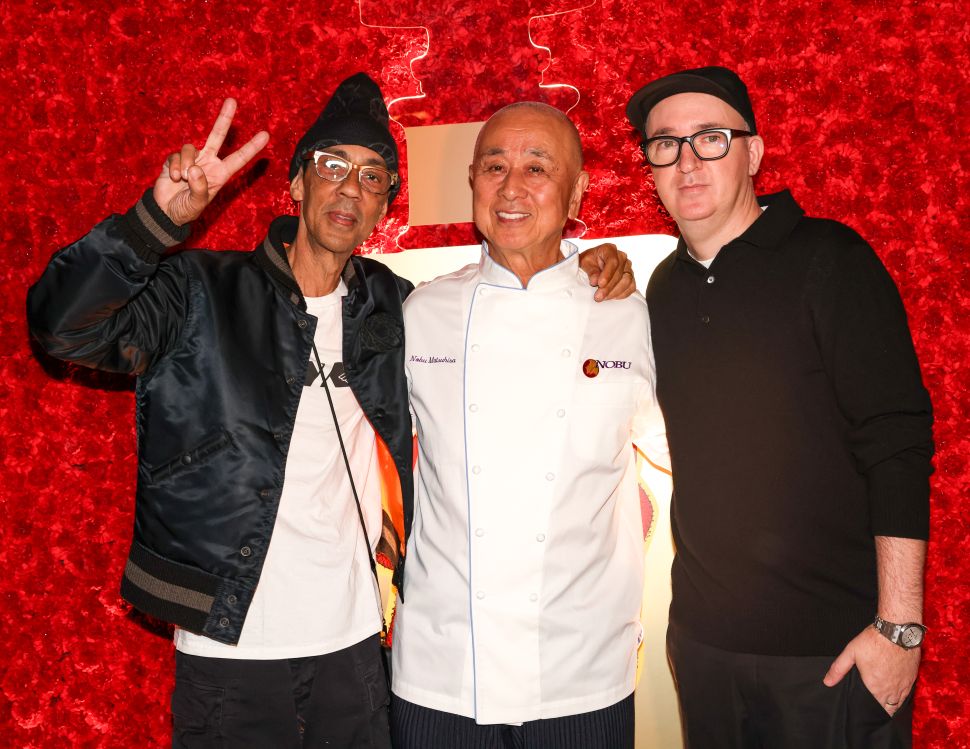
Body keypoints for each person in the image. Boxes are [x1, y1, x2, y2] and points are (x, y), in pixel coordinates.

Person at [27, 75, 634, 749]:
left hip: (353, 652)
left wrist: (587, 262)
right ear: (294, 184)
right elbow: (63, 327)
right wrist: (154, 223)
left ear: (383, 209)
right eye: (333, 166)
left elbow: (518, 296)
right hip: (231, 650)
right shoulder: (201, 291)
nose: (351, 188)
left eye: (373, 177)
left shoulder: (392, 306)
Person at [625, 66, 933, 748]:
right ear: (649, 167)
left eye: (710, 138)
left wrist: (900, 629)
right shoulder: (663, 290)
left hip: (833, 658)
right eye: (665, 144)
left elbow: (898, 443)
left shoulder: (831, 259)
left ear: (754, 153)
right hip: (705, 652)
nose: (686, 160)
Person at [389, 101, 668, 749]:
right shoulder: (421, 312)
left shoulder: (628, 315)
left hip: (582, 675)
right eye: (495, 166)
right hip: (441, 672)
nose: (512, 187)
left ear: (576, 191)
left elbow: (695, 455)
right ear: (472, 183)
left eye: (537, 167)